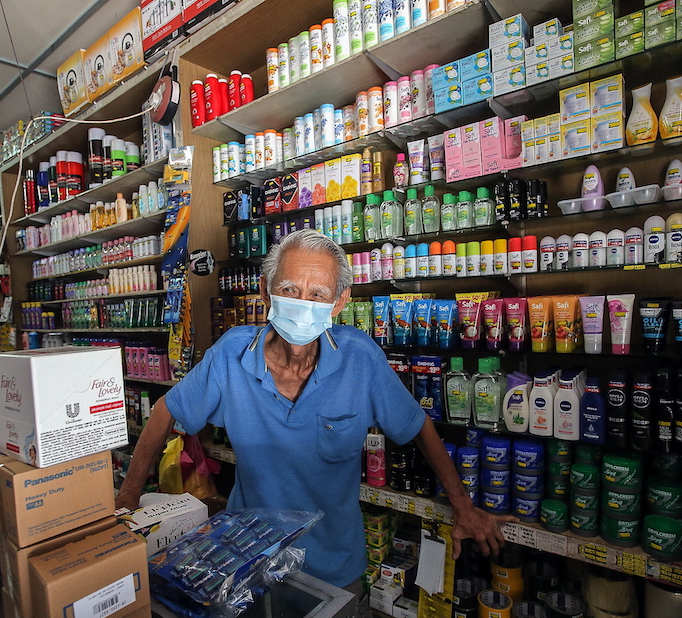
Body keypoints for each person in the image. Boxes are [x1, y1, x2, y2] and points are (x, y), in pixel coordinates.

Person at [115, 228, 513, 589]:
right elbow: (168, 409)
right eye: (288, 290)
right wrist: (127, 503)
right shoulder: (231, 353)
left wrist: (463, 507)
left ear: (339, 303)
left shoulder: (360, 359)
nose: (302, 304)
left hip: (332, 566)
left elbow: (417, 426)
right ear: (266, 292)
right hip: (246, 556)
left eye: (317, 295)